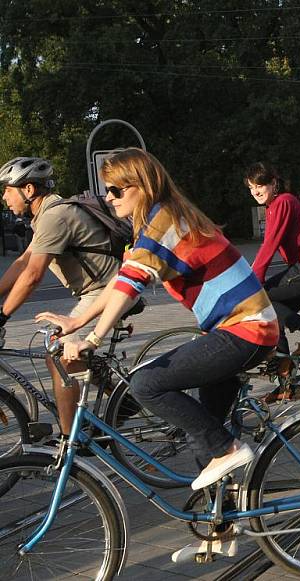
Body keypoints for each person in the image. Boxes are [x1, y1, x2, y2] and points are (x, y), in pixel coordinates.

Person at [46, 148, 278, 491]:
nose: (109, 198)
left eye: (116, 190)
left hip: (246, 330)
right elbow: (121, 279)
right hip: (240, 330)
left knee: (145, 385)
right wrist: (75, 323)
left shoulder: (163, 222)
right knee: (205, 437)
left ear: (142, 186)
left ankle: (230, 449)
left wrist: (92, 339)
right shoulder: (159, 221)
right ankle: (222, 532)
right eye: (107, 190)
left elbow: (128, 288)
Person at [0, 157, 120, 435]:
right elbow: (21, 263)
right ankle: (122, 399)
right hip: (96, 292)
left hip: (108, 292)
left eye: (6, 190)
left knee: (58, 358)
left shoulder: (54, 216)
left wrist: (3, 315)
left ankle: (70, 441)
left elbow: (32, 276)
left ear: (28, 190)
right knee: (67, 354)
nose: (5, 198)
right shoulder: (48, 214)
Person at [246, 162, 300, 356]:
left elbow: (270, 244)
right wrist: (252, 269)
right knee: (272, 317)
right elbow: (269, 244)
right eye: (251, 188)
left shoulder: (284, 201)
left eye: (259, 186)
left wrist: (255, 278)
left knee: (261, 300)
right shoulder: (272, 206)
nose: (255, 192)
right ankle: (285, 375)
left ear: (273, 183)